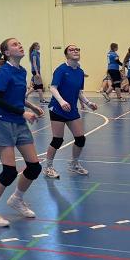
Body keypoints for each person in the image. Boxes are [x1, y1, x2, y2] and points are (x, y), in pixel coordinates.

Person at [0, 38, 44, 227]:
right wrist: (23, 113)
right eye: (15, 45)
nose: (20, 45)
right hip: (2, 122)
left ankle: (17, 199)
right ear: (7, 53)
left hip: (18, 122)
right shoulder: (4, 71)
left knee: (34, 167)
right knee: (9, 171)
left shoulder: (22, 71)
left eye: (20, 43)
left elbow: (15, 96)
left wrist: (31, 106)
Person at [44, 45, 98, 179]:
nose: (75, 51)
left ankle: (74, 164)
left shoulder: (80, 72)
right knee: (57, 140)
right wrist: (62, 101)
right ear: (66, 54)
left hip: (71, 109)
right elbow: (53, 88)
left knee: (80, 139)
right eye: (71, 49)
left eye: (77, 49)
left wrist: (88, 103)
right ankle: (48, 167)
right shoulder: (61, 70)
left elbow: (79, 92)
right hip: (57, 108)